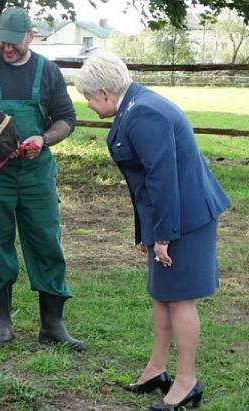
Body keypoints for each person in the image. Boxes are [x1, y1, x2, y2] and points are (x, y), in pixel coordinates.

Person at [75, 50, 230, 410]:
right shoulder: (135, 104)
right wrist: (148, 232)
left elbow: (162, 179)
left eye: (87, 98)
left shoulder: (143, 112)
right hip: (170, 215)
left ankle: (187, 381)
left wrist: (163, 235)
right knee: (163, 295)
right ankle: (157, 369)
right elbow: (146, 181)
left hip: (186, 218)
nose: (87, 105)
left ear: (103, 93)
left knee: (180, 298)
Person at [0, 7, 84, 352]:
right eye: (1, 43)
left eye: (13, 44)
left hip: (36, 174)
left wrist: (43, 139)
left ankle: (52, 325)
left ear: (30, 37)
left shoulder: (48, 72)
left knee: (46, 242)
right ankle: (2, 323)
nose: (7, 50)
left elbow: (66, 118)